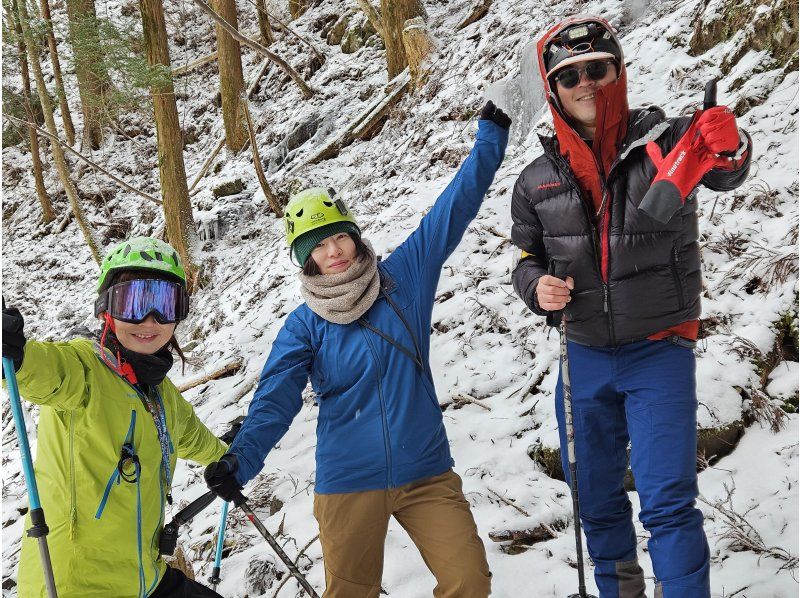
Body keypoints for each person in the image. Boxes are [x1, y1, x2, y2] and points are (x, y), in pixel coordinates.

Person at [203, 102, 510, 598]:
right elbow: (275, 399)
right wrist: (240, 460)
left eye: (339, 237)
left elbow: (450, 212)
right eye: (318, 246)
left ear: (353, 236)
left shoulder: (401, 280)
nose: (334, 251)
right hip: (349, 480)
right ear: (306, 260)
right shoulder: (304, 325)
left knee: (468, 580)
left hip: (426, 471)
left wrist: (489, 141)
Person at [510, 16, 751, 598]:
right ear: (553, 90)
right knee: (595, 497)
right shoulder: (536, 179)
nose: (587, 83)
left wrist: (731, 143)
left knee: (667, 497)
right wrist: (536, 287)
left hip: (659, 348)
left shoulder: (666, 142)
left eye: (598, 69)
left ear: (619, 72)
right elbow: (525, 260)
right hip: (583, 352)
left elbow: (725, 168)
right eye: (571, 76)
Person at [2, 237, 229, 598]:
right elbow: (38, 369)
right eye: (133, 302)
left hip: (144, 576)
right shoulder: (82, 369)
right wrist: (14, 352)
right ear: (106, 308)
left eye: (164, 305)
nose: (149, 321)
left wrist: (229, 460)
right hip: (75, 585)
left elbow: (195, 440)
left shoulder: (161, 394)